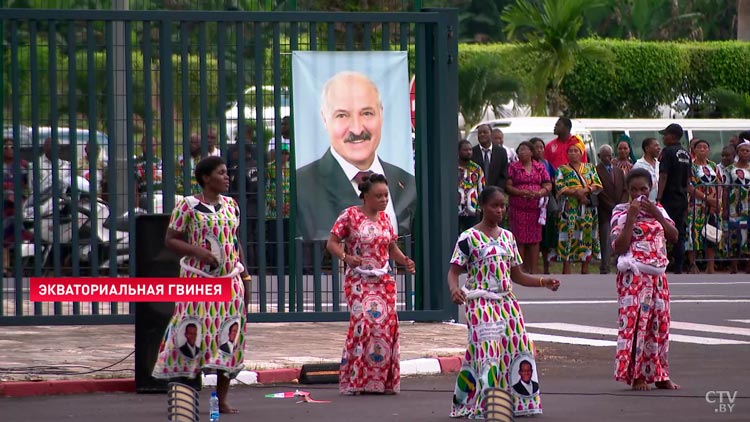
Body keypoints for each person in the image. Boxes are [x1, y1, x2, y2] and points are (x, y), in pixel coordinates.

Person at [447, 186, 560, 418]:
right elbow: (454, 271)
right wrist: (454, 290)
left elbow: (517, 276)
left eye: (502, 206)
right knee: (487, 353)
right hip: (480, 302)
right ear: (482, 206)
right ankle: (488, 406)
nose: (499, 210)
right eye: (494, 205)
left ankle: (518, 404)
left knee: (518, 348)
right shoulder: (468, 238)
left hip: (507, 303)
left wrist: (543, 281)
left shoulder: (508, 237)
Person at [153, 156, 251, 415]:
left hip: (229, 283)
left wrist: (245, 275)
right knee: (190, 332)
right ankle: (184, 394)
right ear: (206, 178)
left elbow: (233, 241)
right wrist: (198, 252)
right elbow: (171, 239)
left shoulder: (232, 205)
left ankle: (222, 398)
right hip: (198, 282)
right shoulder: (187, 206)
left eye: (226, 172)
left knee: (228, 336)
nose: (227, 176)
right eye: (221, 172)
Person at [297, 71, 417, 241]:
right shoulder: (301, 187)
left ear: (381, 114)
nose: (357, 129)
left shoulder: (407, 183)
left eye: (367, 113)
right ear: (325, 119)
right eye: (342, 115)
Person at [326, 173, 416, 395]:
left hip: (383, 280)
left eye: (386, 195)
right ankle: (355, 380)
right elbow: (332, 243)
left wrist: (404, 260)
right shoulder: (350, 216)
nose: (384, 200)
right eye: (378, 196)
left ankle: (380, 382)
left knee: (386, 328)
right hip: (359, 279)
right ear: (365, 196)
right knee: (364, 323)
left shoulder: (386, 219)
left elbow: (391, 247)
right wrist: (346, 257)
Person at [611, 168, 680, 391]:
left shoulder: (659, 209)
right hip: (634, 276)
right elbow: (618, 247)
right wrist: (631, 218)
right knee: (635, 326)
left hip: (658, 276)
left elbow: (674, 236)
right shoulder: (621, 212)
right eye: (634, 190)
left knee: (659, 326)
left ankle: (660, 374)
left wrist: (657, 214)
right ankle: (637, 375)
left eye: (644, 189)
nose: (639, 194)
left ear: (651, 189)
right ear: (627, 191)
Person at [554, 143, 602, 274]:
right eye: (570, 151)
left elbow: (597, 183)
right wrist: (576, 193)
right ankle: (566, 267)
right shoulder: (561, 169)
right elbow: (560, 186)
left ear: (581, 153)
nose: (573, 153)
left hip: (587, 207)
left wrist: (585, 190)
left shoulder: (590, 168)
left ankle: (585, 267)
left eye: (576, 151)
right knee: (568, 234)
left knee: (586, 234)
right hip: (569, 207)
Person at [505, 141, 552, 274]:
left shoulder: (539, 167)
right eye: (520, 150)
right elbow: (508, 186)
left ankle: (534, 270)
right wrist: (520, 192)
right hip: (518, 209)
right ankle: (520, 271)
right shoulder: (513, 167)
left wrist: (540, 193)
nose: (522, 152)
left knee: (534, 239)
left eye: (525, 149)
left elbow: (548, 184)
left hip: (535, 210)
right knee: (519, 240)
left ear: (531, 152)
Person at [656, 123, 691, 274]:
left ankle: (662, 262)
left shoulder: (667, 152)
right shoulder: (686, 153)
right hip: (682, 197)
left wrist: (658, 197)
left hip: (669, 197)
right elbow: (688, 178)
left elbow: (663, 175)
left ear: (673, 136)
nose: (664, 138)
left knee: (662, 230)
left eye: (666, 135)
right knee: (680, 232)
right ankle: (679, 265)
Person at [686, 139, 723, 274]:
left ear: (708, 150)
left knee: (711, 233)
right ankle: (693, 264)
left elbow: (720, 184)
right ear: (694, 150)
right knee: (692, 234)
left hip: (713, 205)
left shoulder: (713, 166)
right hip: (696, 205)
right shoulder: (691, 167)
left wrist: (716, 201)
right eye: (699, 147)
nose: (702, 149)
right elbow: (689, 186)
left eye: (705, 147)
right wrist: (706, 199)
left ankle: (710, 266)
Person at [595, 145, 628, 274]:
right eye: (605, 156)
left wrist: (621, 205)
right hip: (605, 210)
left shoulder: (619, 171)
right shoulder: (596, 170)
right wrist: (611, 206)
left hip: (619, 210)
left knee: (619, 236)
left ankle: (620, 264)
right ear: (599, 157)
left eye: (610, 155)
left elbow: (625, 189)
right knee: (605, 238)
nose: (608, 158)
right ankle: (605, 266)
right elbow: (599, 191)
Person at [2, 135, 30, 276]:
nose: (9, 150)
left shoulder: (23, 165)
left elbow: (28, 186)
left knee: (19, 234)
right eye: (5, 147)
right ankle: (5, 267)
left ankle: (19, 265)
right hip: (3, 206)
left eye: (12, 147)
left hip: (18, 205)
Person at [722, 141, 750, 274]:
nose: (745, 153)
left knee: (748, 234)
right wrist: (725, 207)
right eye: (742, 150)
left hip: (748, 206)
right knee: (734, 233)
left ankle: (748, 264)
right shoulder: (729, 169)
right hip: (734, 207)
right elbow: (725, 190)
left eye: (748, 151)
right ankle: (734, 264)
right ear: (737, 152)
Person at [531, 137, 557, 274]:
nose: (540, 150)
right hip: (532, 203)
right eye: (537, 147)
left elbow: (553, 180)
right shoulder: (529, 164)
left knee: (546, 235)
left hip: (546, 204)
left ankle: (547, 266)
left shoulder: (546, 163)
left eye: (542, 147)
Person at [265, 143, 291, 272]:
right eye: (281, 153)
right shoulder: (270, 168)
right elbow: (266, 188)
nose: (284, 156)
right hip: (273, 212)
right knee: (274, 239)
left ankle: (287, 266)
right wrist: (274, 203)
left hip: (289, 212)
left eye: (286, 153)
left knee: (287, 239)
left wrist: (289, 205)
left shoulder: (291, 168)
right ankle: (275, 267)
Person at [457, 139, 485, 233]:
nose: (468, 152)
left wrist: (479, 208)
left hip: (472, 210)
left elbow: (482, 190)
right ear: (458, 151)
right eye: (465, 150)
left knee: (472, 236)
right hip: (455, 209)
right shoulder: (452, 167)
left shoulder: (477, 169)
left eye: (470, 150)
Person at [472, 124, 508, 191]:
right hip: (476, 193)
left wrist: (496, 191)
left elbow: (503, 174)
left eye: (485, 132)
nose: (482, 134)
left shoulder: (501, 152)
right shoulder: (472, 152)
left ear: (491, 134)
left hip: (495, 192)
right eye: (479, 133)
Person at [134, 135, 163, 211]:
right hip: (145, 198)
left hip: (160, 198)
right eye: (146, 145)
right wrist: (136, 207)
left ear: (156, 146)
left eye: (153, 145)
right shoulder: (136, 163)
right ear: (141, 146)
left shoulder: (160, 162)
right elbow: (135, 187)